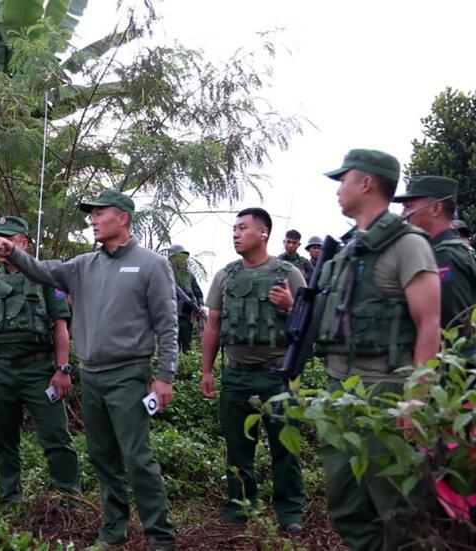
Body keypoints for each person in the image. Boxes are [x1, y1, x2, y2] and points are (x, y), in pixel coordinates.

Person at [0, 188, 177, 550]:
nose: (93, 219)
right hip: (92, 375)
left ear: (123, 217)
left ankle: (160, 537)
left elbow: (168, 325)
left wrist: (164, 376)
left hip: (128, 374)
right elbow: (41, 270)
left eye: (100, 213)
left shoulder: (151, 264)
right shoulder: (83, 265)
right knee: (103, 457)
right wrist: (14, 252)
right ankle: (113, 529)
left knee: (136, 457)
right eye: (92, 214)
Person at [317, 149, 442, 550]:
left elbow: (430, 325)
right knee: (347, 504)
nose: (339, 189)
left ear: (366, 183)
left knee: (397, 508)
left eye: (344, 180)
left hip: (385, 390)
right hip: (341, 388)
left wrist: (416, 400)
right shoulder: (350, 248)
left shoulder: (408, 245)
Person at [0, 215, 81, 506]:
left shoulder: (46, 279)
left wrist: (63, 369)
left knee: (56, 438)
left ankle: (70, 501)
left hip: (39, 371)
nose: (0, 243)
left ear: (23, 242)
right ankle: (10, 499)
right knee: (3, 442)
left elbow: (60, 326)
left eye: (8, 238)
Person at [200, 207, 306, 534]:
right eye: (234, 228)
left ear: (263, 233)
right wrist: (206, 371)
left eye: (242, 228)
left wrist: (291, 306)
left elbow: (309, 326)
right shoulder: (225, 275)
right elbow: (213, 324)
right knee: (237, 445)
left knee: (285, 445)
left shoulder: (289, 274)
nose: (235, 233)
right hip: (236, 373)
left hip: (278, 373)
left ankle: (290, 512)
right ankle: (240, 506)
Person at [394, 176, 476, 330]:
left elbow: (451, 329)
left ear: (436, 208)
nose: (402, 215)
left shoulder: (444, 257)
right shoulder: (444, 251)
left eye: (408, 207)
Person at [167, 244, 204, 354]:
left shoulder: (189, 275)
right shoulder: (166, 273)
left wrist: (200, 306)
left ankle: (186, 366)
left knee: (187, 345)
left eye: (184, 258)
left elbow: (198, 293)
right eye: (179, 258)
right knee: (173, 346)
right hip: (171, 315)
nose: (182, 261)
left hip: (187, 316)